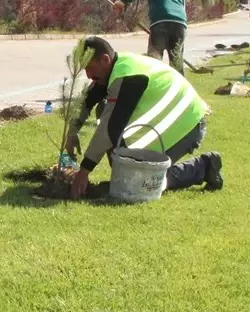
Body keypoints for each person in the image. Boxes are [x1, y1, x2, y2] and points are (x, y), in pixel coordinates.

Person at [67, 37, 223, 200]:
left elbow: (109, 127)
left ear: (105, 60)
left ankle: (205, 167)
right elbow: (89, 98)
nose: (88, 75)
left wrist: (84, 171)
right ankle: (124, 177)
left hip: (188, 125)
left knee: (143, 184)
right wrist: (72, 132)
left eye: (90, 68)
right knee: (105, 109)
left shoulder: (127, 76)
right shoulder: (117, 66)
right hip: (178, 119)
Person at [112, 0, 188, 75]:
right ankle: (181, 89)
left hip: (160, 23)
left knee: (154, 60)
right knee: (177, 61)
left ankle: (154, 86)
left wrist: (123, 0)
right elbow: (183, 10)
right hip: (181, 25)